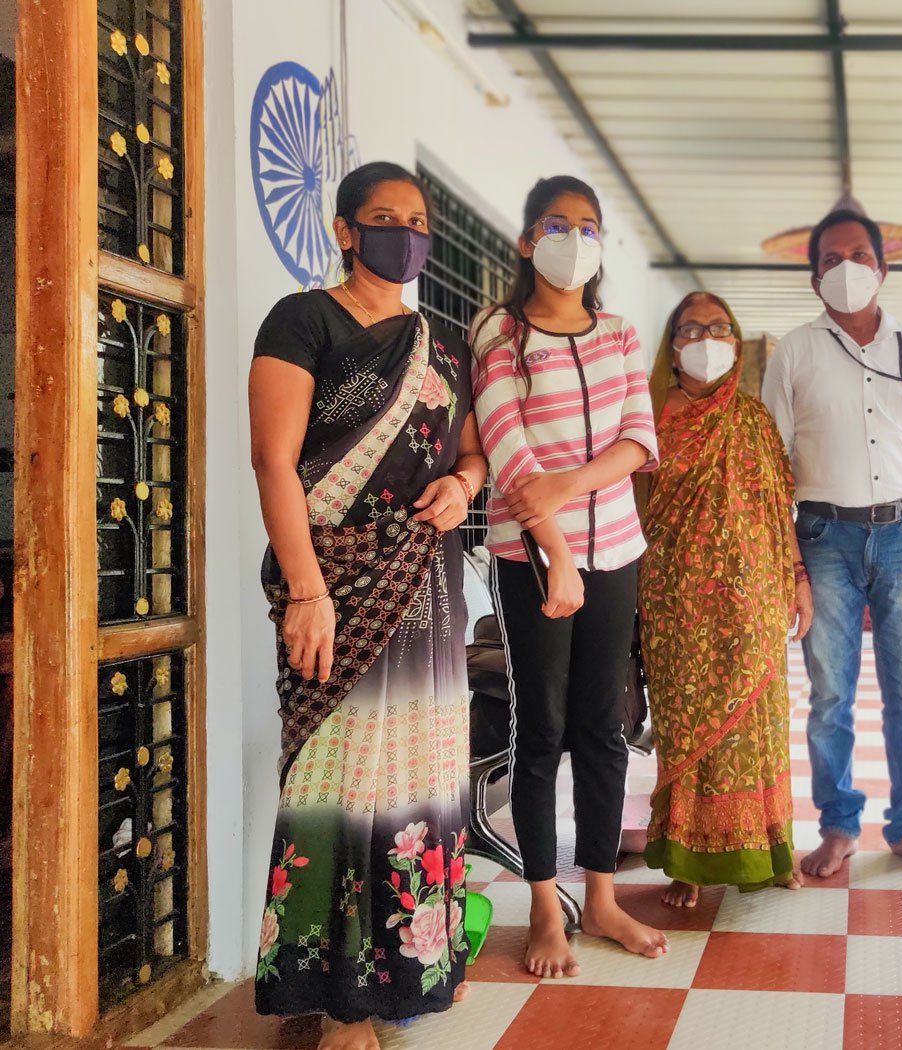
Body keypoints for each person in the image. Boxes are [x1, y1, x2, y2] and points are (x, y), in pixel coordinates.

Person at [249, 162, 491, 1050]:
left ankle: (412, 968)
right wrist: (307, 591)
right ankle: (340, 996)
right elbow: (275, 462)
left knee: (420, 777)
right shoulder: (303, 319)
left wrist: (465, 485)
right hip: (333, 581)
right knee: (338, 779)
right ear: (346, 229)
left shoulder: (447, 341)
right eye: (384, 218)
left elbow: (471, 453)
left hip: (423, 586)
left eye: (417, 219)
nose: (406, 233)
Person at [471, 175, 667, 979]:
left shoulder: (619, 334)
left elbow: (638, 441)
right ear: (527, 240)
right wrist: (553, 547)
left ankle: (605, 895)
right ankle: (546, 909)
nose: (575, 239)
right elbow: (507, 451)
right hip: (530, 561)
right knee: (540, 731)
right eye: (559, 224)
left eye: (590, 227)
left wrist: (565, 487)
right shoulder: (497, 333)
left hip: (616, 551)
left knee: (603, 727)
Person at [762, 207, 902, 880]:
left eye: (858, 256)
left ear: (883, 267)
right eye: (829, 259)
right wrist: (785, 557)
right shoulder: (794, 351)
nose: (845, 269)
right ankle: (838, 827)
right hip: (823, 536)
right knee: (830, 696)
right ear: (814, 276)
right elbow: (771, 457)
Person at [638, 291, 813, 907]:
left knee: (760, 727)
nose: (706, 338)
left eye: (718, 327)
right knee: (687, 727)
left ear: (736, 342)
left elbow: (777, 507)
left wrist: (797, 576)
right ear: (672, 343)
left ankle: (771, 851)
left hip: (756, 598)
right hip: (675, 602)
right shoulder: (650, 415)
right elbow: (633, 507)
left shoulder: (755, 418)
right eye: (691, 328)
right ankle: (688, 862)